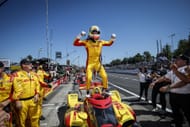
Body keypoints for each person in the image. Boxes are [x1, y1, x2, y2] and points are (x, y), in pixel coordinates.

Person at [73, 25, 116, 97]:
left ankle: (105, 89)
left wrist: (113, 38)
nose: (95, 34)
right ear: (90, 33)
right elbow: (75, 43)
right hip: (90, 64)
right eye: (94, 32)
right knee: (89, 78)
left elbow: (109, 44)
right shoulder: (87, 42)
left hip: (98, 64)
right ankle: (87, 92)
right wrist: (80, 35)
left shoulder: (100, 42)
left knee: (105, 76)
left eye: (97, 32)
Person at [151, 54, 190, 127]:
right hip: (173, 96)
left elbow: (185, 81)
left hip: (185, 96)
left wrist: (168, 87)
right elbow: (164, 77)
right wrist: (154, 82)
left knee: (188, 114)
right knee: (176, 114)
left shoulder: (188, 68)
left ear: (185, 61)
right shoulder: (174, 70)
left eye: (178, 59)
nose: (176, 60)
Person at [13, 58, 40, 127]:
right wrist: (17, 100)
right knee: (22, 120)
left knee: (35, 117)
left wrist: (37, 94)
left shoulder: (34, 74)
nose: (31, 65)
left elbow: (37, 85)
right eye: (29, 63)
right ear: (23, 65)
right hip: (22, 101)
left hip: (33, 100)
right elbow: (16, 88)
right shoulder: (17, 75)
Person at [0, 61, 22, 127]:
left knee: (5, 123)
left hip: (7, 105)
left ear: (3, 68)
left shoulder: (11, 78)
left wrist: (9, 100)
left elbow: (19, 91)